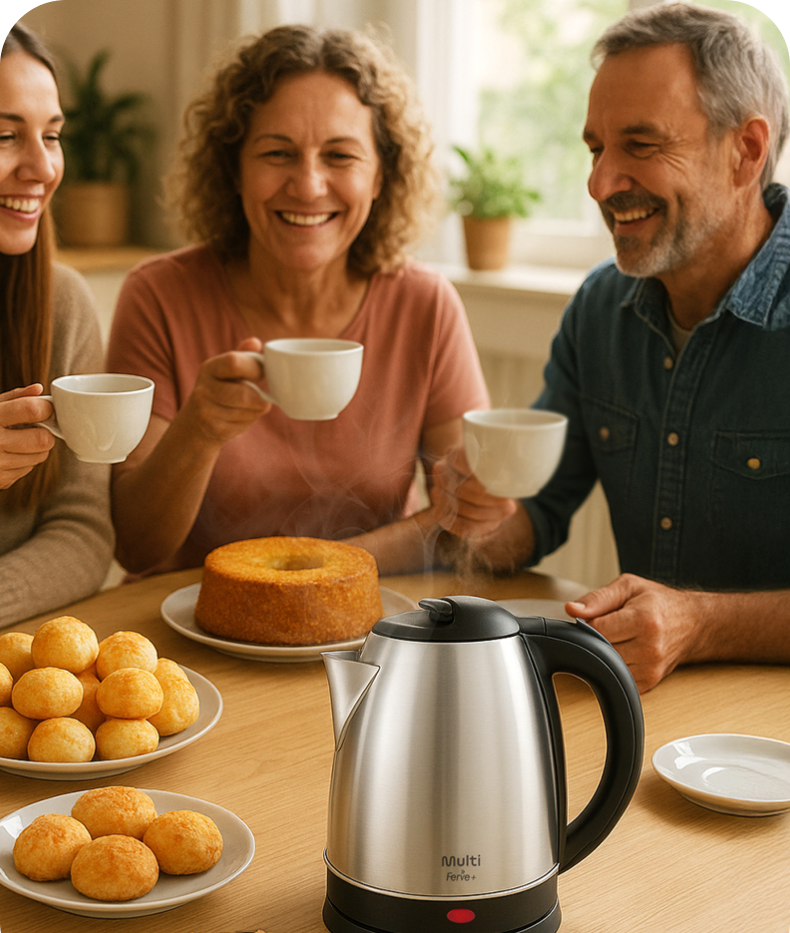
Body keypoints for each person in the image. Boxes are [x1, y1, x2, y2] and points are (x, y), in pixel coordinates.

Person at [431, 2, 790, 692]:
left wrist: (702, 623)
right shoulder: (600, 308)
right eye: (597, 148)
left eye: (642, 145)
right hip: (640, 710)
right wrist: (480, 515)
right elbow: (534, 515)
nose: (600, 184)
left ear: (745, 151)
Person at [106, 24, 488, 578]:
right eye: (277, 153)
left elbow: (459, 521)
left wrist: (311, 574)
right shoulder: (159, 295)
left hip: (363, 629)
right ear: (233, 169)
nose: (308, 186)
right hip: (192, 638)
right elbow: (136, 548)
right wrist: (200, 430)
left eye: (340, 156)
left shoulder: (426, 306)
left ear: (382, 175)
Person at [0, 22, 113, 628]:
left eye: (52, 135)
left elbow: (83, 530)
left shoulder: (61, 302)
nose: (42, 168)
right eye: (4, 136)